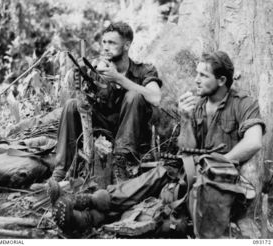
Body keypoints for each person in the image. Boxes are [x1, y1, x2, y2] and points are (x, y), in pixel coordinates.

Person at [52, 22, 162, 184]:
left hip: (132, 134)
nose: (105, 47)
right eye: (104, 42)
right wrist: (82, 80)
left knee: (134, 95)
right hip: (104, 130)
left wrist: (118, 78)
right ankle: (59, 173)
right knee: (71, 105)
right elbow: (84, 103)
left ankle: (121, 164)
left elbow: (155, 98)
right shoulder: (96, 69)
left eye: (112, 43)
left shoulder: (144, 70)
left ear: (126, 45)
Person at [178, 50, 266, 237]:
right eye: (197, 74)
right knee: (159, 177)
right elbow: (186, 149)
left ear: (221, 81)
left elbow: (254, 142)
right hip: (199, 178)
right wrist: (185, 119)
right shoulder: (198, 105)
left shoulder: (243, 103)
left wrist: (221, 162)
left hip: (230, 182)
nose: (196, 80)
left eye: (203, 75)